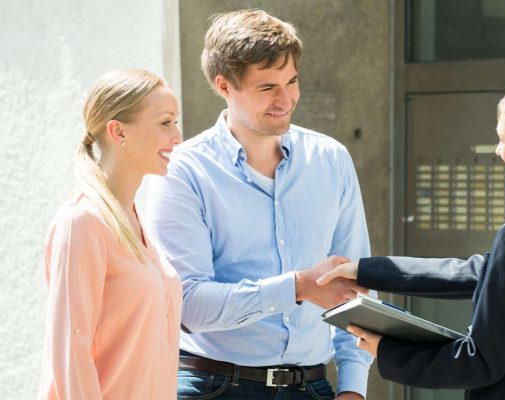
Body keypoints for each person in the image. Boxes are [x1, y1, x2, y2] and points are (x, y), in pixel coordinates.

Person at [317, 79, 505, 399]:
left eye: (503, 140)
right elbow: (470, 272)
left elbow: (480, 361)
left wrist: (387, 350)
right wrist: (364, 270)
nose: (498, 151)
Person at [144, 9, 372, 400]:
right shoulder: (184, 171)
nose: (286, 99)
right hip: (215, 388)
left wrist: (353, 387)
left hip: (313, 387)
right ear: (224, 86)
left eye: (292, 81)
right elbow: (188, 306)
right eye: (267, 87)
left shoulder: (331, 159)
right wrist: (297, 287)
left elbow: (357, 287)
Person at [39, 69, 183, 399]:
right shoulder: (81, 222)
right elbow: (70, 354)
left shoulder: (138, 221)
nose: (177, 137)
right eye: (165, 123)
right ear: (118, 131)